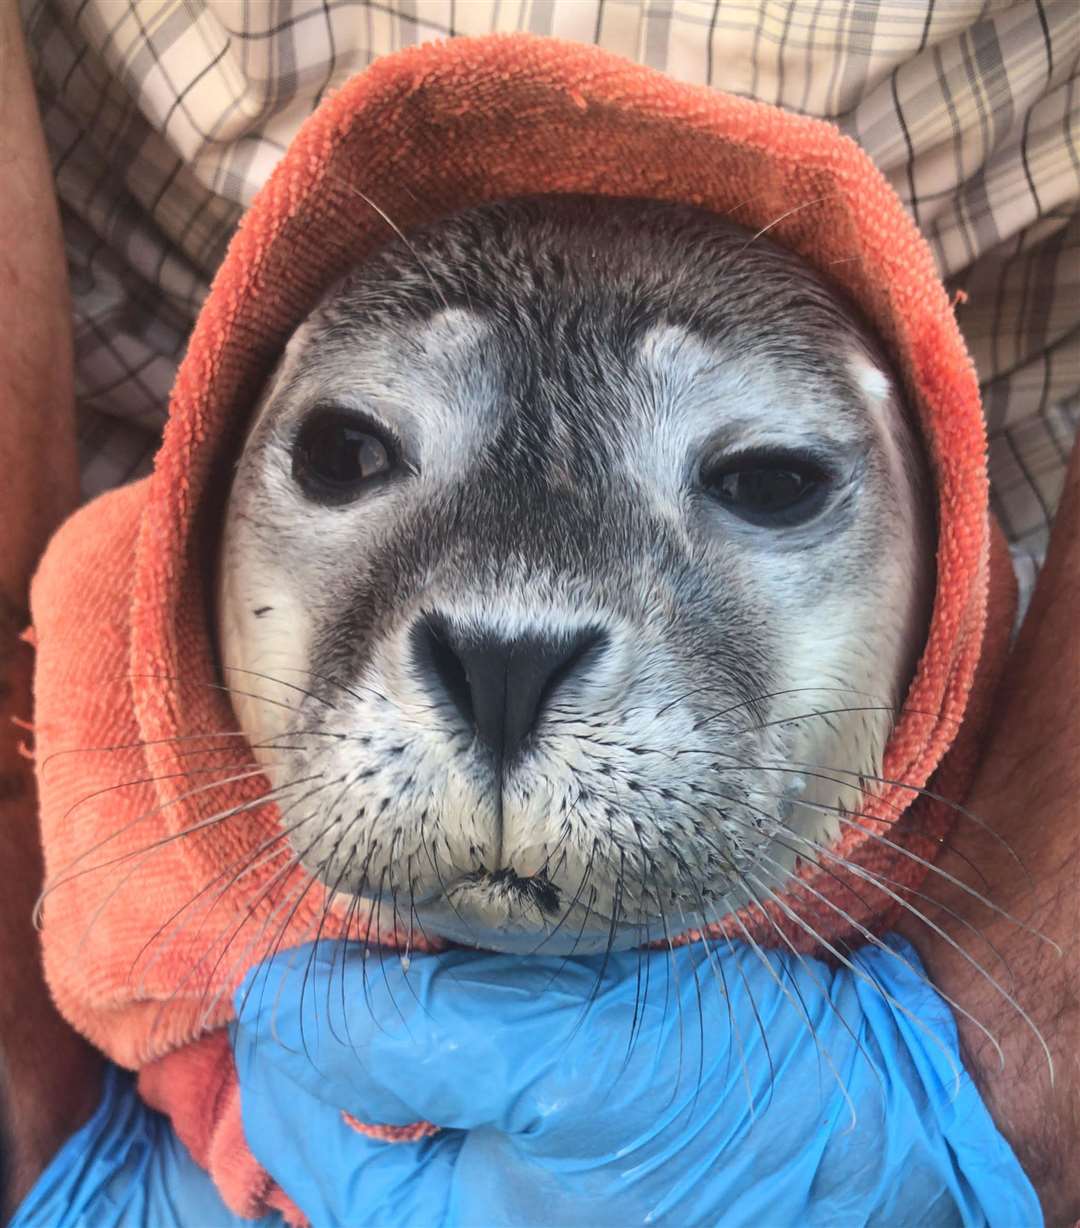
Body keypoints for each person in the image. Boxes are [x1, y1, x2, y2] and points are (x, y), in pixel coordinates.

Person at [1, 1, 1076, 1224]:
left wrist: (1013, 1084)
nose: (514, 617)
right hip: (129, 346)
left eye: (764, 481)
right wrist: (42, 1092)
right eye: (352, 454)